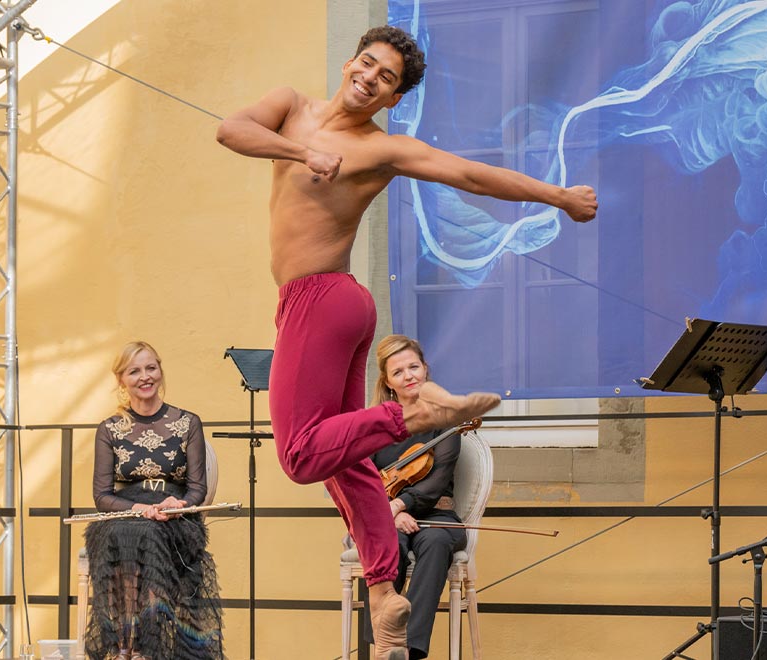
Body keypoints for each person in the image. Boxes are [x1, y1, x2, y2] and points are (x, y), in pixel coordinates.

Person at [216, 24, 597, 659]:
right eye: (367, 64)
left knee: (301, 455)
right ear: (349, 62)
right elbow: (231, 130)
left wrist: (555, 196)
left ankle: (413, 412)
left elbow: (468, 176)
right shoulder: (290, 106)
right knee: (344, 456)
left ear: (393, 97)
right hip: (319, 304)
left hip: (324, 299)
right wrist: (303, 153)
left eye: (385, 78)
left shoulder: (381, 149)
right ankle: (383, 588)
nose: (369, 78)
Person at [83, 341, 222, 659]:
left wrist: (178, 506)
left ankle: (148, 643)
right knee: (131, 532)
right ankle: (127, 644)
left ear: (160, 370)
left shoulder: (188, 423)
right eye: (134, 371)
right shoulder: (109, 430)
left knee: (147, 534)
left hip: (175, 515)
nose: (144, 376)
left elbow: (197, 488)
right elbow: (102, 496)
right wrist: (141, 509)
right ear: (121, 380)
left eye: (150, 368)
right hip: (129, 511)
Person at [363, 335, 469, 659]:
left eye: (414, 367)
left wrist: (401, 503)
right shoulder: (375, 423)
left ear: (425, 369)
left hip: (437, 515)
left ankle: (409, 650)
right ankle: (382, 644)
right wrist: (392, 514)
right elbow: (365, 481)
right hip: (389, 516)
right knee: (386, 543)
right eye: (399, 372)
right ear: (388, 382)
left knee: (436, 543)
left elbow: (438, 480)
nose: (409, 375)